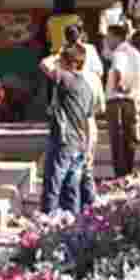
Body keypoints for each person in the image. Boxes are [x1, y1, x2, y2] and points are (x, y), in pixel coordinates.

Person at [38, 43, 95, 215]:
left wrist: (59, 53)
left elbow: (44, 64)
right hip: (80, 143)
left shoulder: (65, 79)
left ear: (67, 62)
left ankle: (46, 223)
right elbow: (89, 119)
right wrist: (88, 147)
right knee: (72, 189)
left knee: (53, 184)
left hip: (64, 141)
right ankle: (72, 226)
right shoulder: (87, 86)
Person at [65, 24, 104, 209]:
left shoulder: (65, 56)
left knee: (78, 165)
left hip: (76, 115)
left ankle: (81, 205)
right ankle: (87, 204)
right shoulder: (88, 53)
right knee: (84, 164)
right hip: (84, 113)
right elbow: (99, 72)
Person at [103, 24, 140, 178]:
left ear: (116, 37)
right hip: (132, 101)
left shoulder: (120, 52)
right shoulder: (136, 53)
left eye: (108, 38)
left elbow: (118, 70)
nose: (107, 41)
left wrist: (119, 87)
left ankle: (120, 177)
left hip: (117, 102)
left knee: (118, 142)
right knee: (129, 141)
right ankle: (127, 174)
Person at [44, 0, 82, 104]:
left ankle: (52, 108)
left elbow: (48, 39)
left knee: (54, 84)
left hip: (55, 56)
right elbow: (82, 38)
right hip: (72, 55)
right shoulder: (76, 19)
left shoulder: (51, 20)